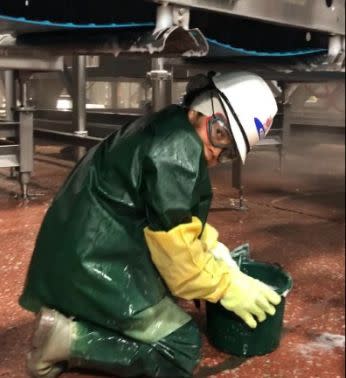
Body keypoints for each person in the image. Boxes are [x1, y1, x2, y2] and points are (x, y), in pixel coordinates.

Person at [20, 71, 281, 378]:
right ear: (201, 107)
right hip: (94, 262)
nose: (216, 153)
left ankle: (79, 317)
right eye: (220, 134)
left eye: (229, 152)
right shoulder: (176, 151)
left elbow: (173, 214)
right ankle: (69, 340)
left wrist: (212, 248)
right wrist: (224, 286)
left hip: (83, 245)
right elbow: (178, 257)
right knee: (182, 348)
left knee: (170, 297)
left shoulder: (171, 125)